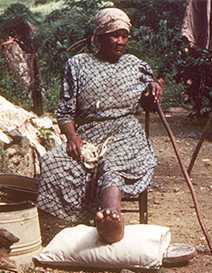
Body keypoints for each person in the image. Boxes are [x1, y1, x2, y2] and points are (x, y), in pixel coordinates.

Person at [37, 7, 163, 243]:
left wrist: (153, 91)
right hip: (88, 133)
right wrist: (72, 138)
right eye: (114, 35)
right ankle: (58, 231)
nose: (120, 41)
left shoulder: (135, 65)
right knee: (54, 161)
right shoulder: (78, 64)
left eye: (124, 36)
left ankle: (111, 220)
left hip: (125, 132)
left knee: (112, 165)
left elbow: (149, 105)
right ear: (99, 36)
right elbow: (65, 111)